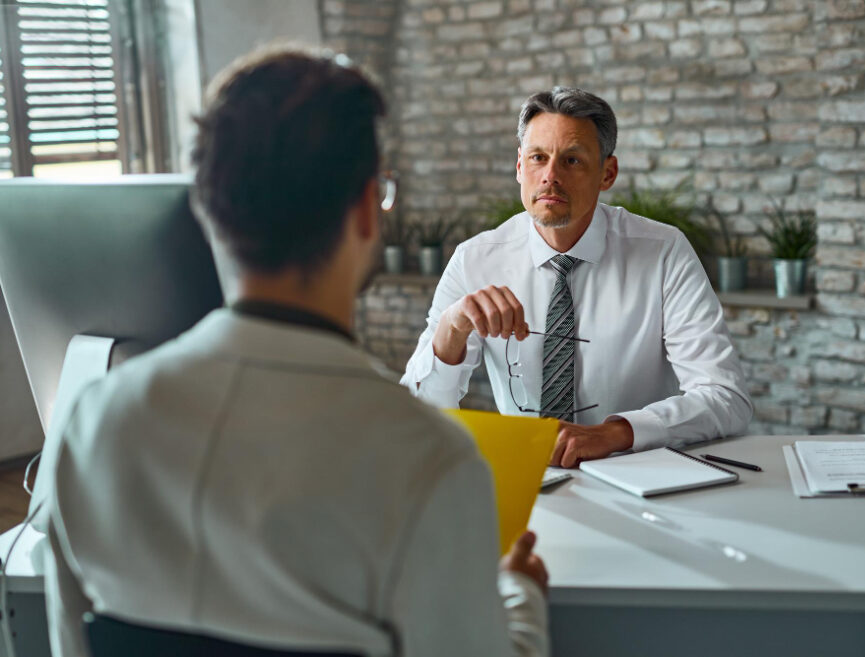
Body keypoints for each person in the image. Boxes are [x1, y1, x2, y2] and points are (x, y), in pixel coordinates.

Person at [40, 47, 548, 657]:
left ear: (208, 210)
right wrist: (517, 597)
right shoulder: (429, 460)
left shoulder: (90, 423)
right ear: (366, 210)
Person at [401, 86, 752, 468]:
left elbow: (725, 396)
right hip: (529, 483)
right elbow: (420, 416)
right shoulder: (474, 260)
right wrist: (451, 330)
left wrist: (615, 434)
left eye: (572, 161)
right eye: (538, 158)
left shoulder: (664, 252)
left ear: (607, 173)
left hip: (642, 476)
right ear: (520, 166)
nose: (550, 176)